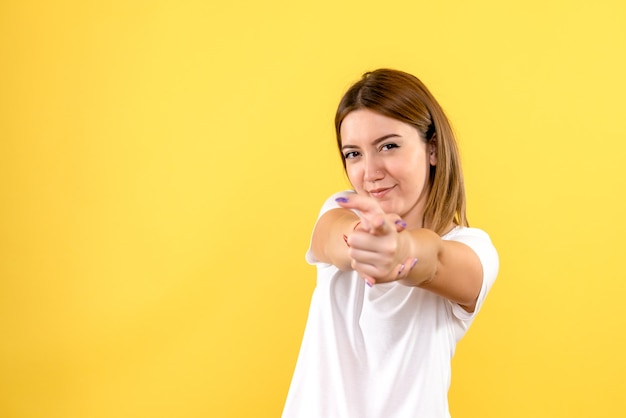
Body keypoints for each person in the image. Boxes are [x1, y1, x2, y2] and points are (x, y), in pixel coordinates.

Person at [282, 69, 499, 418]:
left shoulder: (475, 250)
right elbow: (334, 240)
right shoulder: (340, 210)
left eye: (389, 146)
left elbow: (436, 259)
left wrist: (401, 251)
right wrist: (361, 243)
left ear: (432, 149)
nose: (370, 172)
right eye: (353, 154)